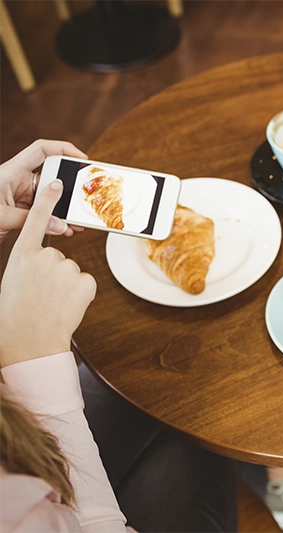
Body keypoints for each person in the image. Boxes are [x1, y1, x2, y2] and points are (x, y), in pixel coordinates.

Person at [0, 140, 237, 532]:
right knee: (199, 419)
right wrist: (33, 360)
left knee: (160, 388)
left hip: (17, 428)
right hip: (46, 479)